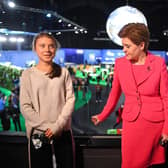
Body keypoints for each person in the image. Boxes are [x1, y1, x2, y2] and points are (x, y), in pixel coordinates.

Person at [91, 23, 168, 168]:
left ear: (141, 45)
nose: (123, 50)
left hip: (155, 125)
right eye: (123, 45)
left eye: (127, 46)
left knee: (153, 164)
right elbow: (114, 94)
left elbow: (166, 98)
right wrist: (102, 115)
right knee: (129, 163)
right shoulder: (120, 64)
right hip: (132, 122)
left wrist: (167, 130)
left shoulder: (158, 63)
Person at [19, 32, 75, 168]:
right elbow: (25, 106)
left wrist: (57, 127)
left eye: (51, 46)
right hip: (38, 134)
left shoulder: (64, 72)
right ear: (35, 49)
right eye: (42, 46)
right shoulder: (27, 74)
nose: (47, 50)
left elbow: (70, 100)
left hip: (62, 132)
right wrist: (47, 128)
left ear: (55, 49)